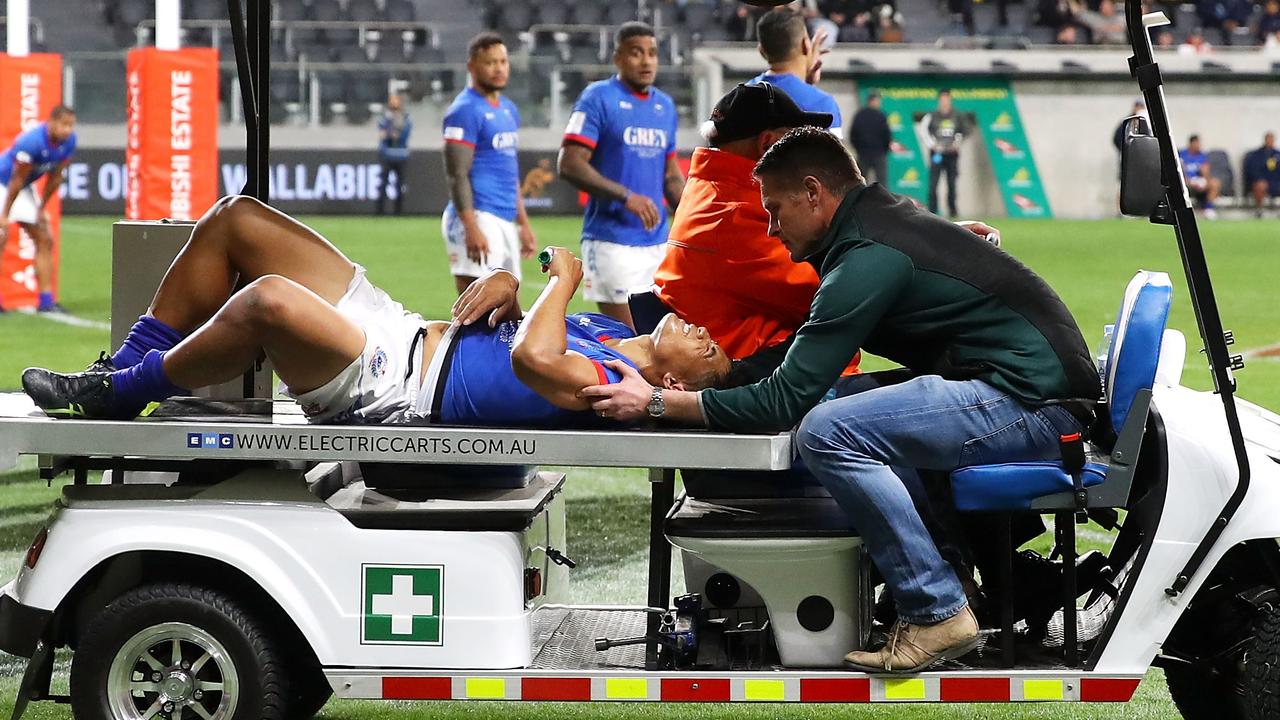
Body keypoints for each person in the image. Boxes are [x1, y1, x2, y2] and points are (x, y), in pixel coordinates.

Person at [579, 126, 1099, 673]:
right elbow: (803, 368)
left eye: (776, 210)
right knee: (843, 400)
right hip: (1022, 391)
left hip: (1035, 407)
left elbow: (784, 401)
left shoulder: (866, 255)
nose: (773, 228)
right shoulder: (876, 225)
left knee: (828, 431)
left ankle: (936, 609)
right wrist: (724, 381)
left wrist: (661, 405)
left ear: (813, 192)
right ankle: (954, 584)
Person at [21, 196, 730, 427]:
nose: (702, 331)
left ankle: (127, 389)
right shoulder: (618, 332)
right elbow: (520, 328)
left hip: (392, 386)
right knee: (238, 219)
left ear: (675, 386)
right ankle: (115, 371)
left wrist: (559, 279)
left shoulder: (617, 386)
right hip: (403, 327)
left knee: (267, 301)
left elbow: (533, 358)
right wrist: (510, 279)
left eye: (710, 350)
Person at [558, 22, 684, 327]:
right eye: (636, 53)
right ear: (618, 58)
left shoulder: (664, 106)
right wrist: (626, 196)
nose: (646, 61)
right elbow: (569, 163)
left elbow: (670, 176)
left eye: (652, 53)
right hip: (611, 242)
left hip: (658, 242)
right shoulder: (597, 98)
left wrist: (693, 215)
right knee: (632, 341)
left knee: (665, 340)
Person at [442, 32, 537, 295]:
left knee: (506, 310)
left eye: (503, 61)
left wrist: (523, 223)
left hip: (504, 218)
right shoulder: (464, 110)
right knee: (474, 312)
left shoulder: (508, 109)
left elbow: (508, 171)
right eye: (490, 62)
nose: (499, 68)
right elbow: (457, 174)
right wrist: (471, 228)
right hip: (479, 216)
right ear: (472, 66)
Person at [0, 105, 77, 314]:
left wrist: (41, 209)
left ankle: (46, 301)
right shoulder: (31, 142)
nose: (67, 130)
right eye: (63, 124)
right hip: (4, 184)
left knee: (44, 238)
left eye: (71, 125)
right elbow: (15, 179)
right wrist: (5, 216)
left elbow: (55, 177)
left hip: (22, 188)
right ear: (50, 122)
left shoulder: (68, 142)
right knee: (1, 236)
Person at [747, 8, 843, 137]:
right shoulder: (823, 104)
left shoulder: (739, 98)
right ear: (805, 45)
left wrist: (806, 83)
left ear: (761, 51)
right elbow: (834, 156)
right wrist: (809, 88)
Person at [920, 89, 970, 217]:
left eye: (946, 99)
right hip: (937, 154)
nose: (944, 102)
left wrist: (957, 143)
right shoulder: (932, 115)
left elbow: (965, 131)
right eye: (942, 99)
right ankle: (932, 212)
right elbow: (924, 131)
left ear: (950, 100)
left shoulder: (957, 115)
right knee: (933, 184)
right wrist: (933, 145)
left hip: (952, 155)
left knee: (952, 184)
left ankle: (953, 211)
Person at [375, 93, 411, 216]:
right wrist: (391, 133)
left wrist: (389, 134)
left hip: (400, 155)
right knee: (382, 184)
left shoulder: (405, 118)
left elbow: (403, 136)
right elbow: (382, 134)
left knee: (400, 185)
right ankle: (379, 212)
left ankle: (398, 212)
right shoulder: (385, 118)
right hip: (386, 155)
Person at [849, 90, 891, 184]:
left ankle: (862, 199)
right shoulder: (881, 116)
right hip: (879, 153)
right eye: (878, 100)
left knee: (861, 182)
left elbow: (853, 134)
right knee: (882, 182)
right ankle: (882, 199)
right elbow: (886, 135)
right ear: (873, 101)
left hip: (863, 153)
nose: (879, 103)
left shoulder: (860, 115)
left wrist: (858, 149)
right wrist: (885, 149)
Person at [1178, 134, 1221, 219]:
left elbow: (1206, 172)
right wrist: (1187, 181)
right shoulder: (1182, 155)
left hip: (1199, 181)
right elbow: (1180, 170)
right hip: (1186, 182)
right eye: (1196, 143)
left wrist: (1206, 179)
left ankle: (1208, 209)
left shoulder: (1201, 156)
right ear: (1191, 143)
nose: (1198, 145)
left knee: (1215, 183)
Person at [1243, 131, 1280, 217]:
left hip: (1275, 182)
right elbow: (1252, 170)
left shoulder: (1277, 154)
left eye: (1272, 139)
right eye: (1268, 139)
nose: (1270, 141)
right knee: (1260, 185)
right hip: (1261, 181)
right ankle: (1259, 210)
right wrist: (1260, 179)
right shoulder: (1256, 155)